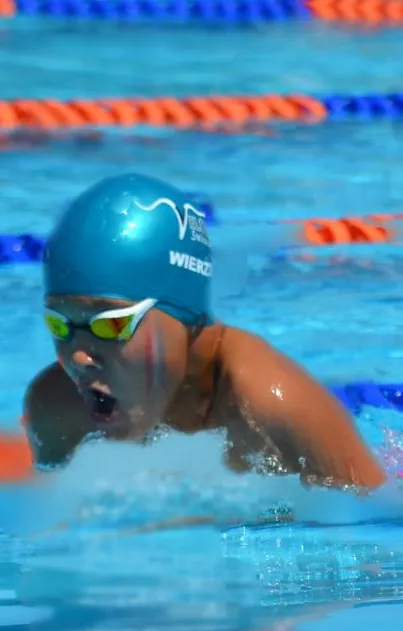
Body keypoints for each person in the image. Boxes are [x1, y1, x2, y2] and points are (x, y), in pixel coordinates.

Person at [22, 172, 385, 491]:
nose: (79, 355)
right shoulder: (57, 409)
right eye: (60, 324)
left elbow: (376, 545)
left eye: (111, 324)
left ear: (186, 313)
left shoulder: (272, 408)